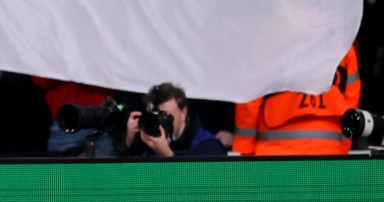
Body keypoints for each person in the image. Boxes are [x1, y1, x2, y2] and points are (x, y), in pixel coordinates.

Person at [232, 47, 361, 156]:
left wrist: (244, 150)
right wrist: (342, 149)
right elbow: (351, 102)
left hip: (274, 156)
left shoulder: (268, 43)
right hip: (328, 153)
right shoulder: (342, 43)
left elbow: (249, 102)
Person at [121, 82, 227, 158]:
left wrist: (168, 155)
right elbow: (124, 179)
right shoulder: (147, 138)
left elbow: (206, 186)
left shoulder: (208, 146)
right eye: (155, 115)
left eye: (166, 116)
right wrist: (128, 142)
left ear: (183, 113)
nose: (160, 124)